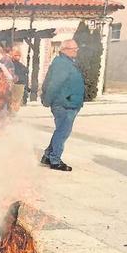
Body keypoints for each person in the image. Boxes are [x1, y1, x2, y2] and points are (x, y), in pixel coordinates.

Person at [40, 39, 84, 172]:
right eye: (73, 49)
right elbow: (54, 84)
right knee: (63, 132)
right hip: (64, 104)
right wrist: (47, 100)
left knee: (60, 130)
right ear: (64, 50)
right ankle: (55, 160)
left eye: (76, 48)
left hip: (69, 102)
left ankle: (48, 155)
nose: (76, 51)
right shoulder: (62, 64)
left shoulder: (66, 62)